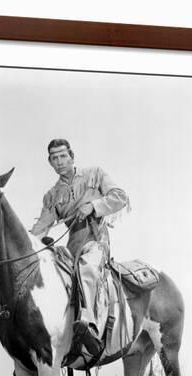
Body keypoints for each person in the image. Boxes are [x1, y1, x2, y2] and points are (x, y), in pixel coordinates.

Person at [31, 138, 130, 359]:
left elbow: (120, 197)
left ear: (71, 156)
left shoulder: (94, 174)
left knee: (87, 269)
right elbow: (42, 226)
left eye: (63, 156)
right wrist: (25, 241)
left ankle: (91, 327)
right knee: (52, 275)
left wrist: (93, 207)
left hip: (96, 239)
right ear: (50, 162)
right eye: (54, 158)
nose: (59, 162)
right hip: (72, 244)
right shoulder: (52, 195)